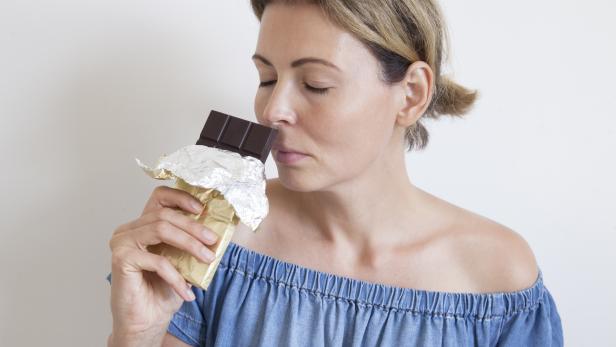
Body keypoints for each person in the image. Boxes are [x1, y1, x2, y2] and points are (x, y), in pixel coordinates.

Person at [107, 0, 564, 346]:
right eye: (266, 78)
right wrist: (139, 332)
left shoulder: (497, 278)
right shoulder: (211, 243)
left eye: (316, 85)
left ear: (411, 95)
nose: (272, 110)